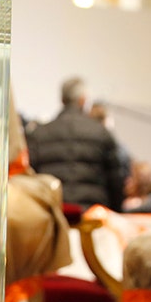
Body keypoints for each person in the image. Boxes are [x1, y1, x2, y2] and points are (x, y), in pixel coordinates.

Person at [26, 77, 126, 210]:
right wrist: (115, 210)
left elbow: (30, 177)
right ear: (83, 100)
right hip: (92, 216)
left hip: (54, 214)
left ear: (62, 99)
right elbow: (115, 180)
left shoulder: (39, 134)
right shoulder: (101, 133)